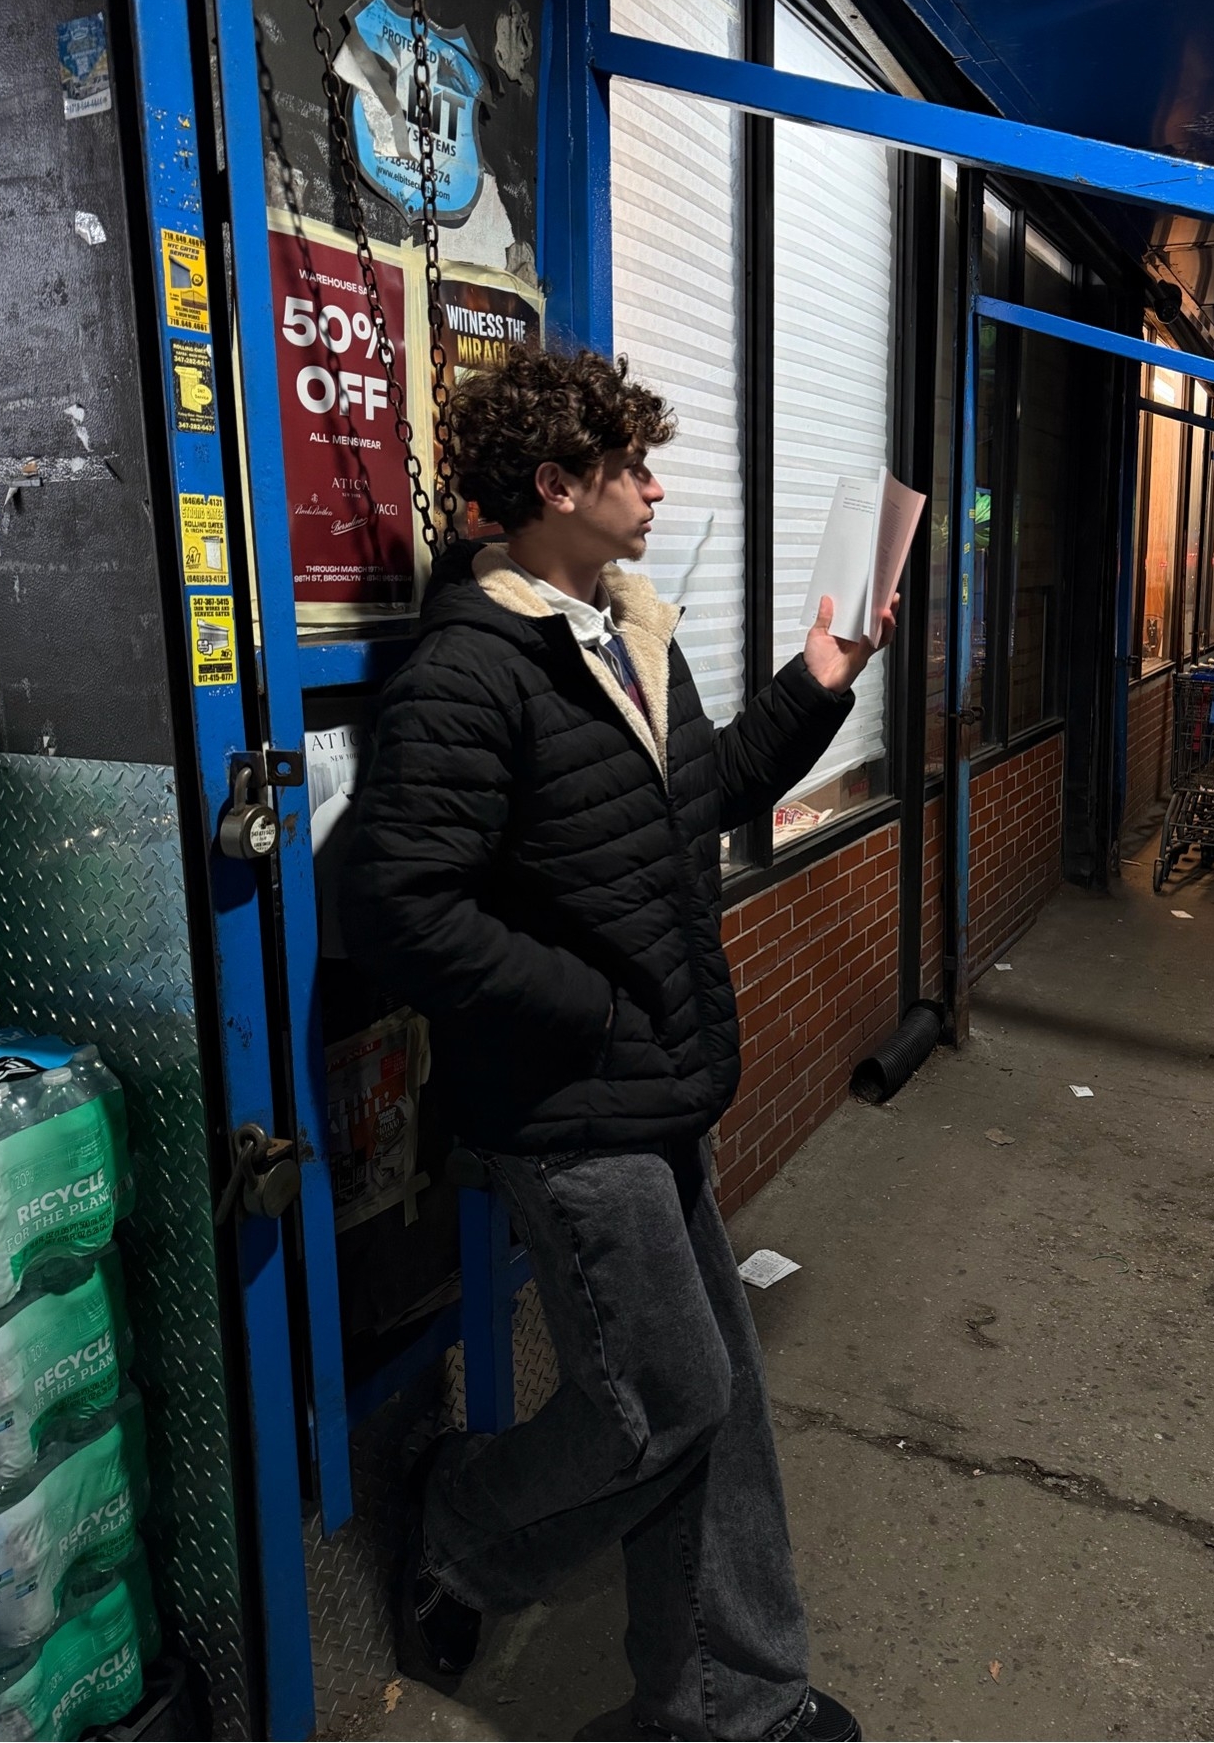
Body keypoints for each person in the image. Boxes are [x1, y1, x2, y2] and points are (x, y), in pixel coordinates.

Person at [342, 347, 897, 1742]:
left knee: (719, 1400)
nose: (654, 488)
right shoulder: (472, 668)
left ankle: (735, 1703)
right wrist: (585, 1005)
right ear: (554, 486)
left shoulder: (629, 634)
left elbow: (701, 795)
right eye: (629, 467)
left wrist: (822, 679)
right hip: (567, 1103)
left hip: (656, 1086)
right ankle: (461, 1525)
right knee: (667, 1399)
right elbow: (398, 906)